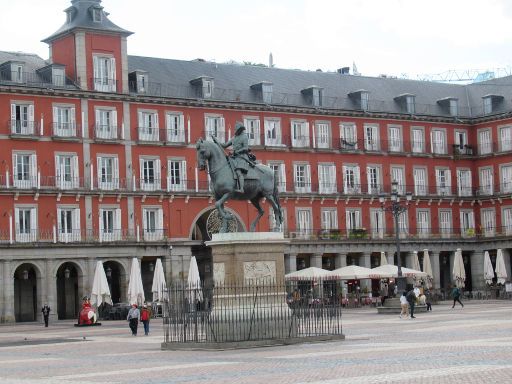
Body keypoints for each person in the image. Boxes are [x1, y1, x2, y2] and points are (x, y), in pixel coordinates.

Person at [213, 122, 251, 193]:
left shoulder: (244, 136)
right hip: (234, 157)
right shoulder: (234, 138)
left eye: (238, 129)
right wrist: (216, 141)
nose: (237, 131)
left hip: (242, 157)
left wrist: (235, 152)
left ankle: (241, 188)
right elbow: (224, 145)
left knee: (238, 171)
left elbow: (246, 148)